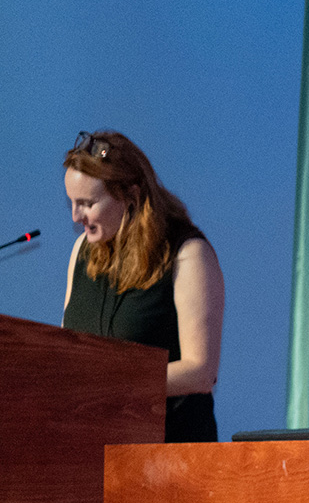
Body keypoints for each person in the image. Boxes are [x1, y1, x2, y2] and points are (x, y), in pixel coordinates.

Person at [61, 130, 224, 442]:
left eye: (87, 203)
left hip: (170, 448)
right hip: (93, 444)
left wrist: (114, 385)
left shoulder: (188, 254)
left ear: (131, 195)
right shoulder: (81, 251)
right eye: (72, 202)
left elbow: (201, 372)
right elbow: (67, 349)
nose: (76, 216)